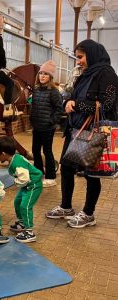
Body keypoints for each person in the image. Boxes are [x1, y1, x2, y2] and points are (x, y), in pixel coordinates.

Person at [46, 39, 118, 228]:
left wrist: (77, 105)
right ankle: (66, 206)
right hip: (75, 130)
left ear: (92, 54)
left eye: (80, 57)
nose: (78, 61)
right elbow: (71, 96)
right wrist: (67, 103)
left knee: (91, 174)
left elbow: (108, 104)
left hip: (93, 132)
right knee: (67, 169)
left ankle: (88, 213)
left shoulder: (107, 74)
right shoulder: (84, 75)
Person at [0, 136, 43, 243]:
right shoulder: (14, 159)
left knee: (25, 206)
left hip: (33, 185)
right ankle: (22, 223)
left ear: (3, 153)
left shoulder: (17, 163)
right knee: (17, 202)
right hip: (27, 185)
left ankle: (29, 232)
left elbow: (24, 179)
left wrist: (15, 183)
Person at [30, 60, 63, 188]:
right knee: (35, 150)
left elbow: (59, 109)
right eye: (41, 73)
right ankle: (39, 173)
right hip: (37, 126)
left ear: (50, 77)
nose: (42, 76)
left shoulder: (53, 91)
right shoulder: (36, 89)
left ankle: (51, 177)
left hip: (47, 128)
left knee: (47, 151)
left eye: (46, 74)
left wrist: (51, 121)